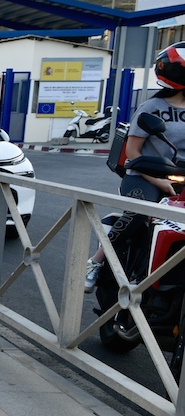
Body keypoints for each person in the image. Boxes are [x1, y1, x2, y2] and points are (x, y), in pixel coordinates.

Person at [85, 42, 185, 292]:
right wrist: (158, 181)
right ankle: (96, 261)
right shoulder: (152, 108)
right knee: (140, 212)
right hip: (144, 174)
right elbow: (132, 152)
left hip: (181, 176)